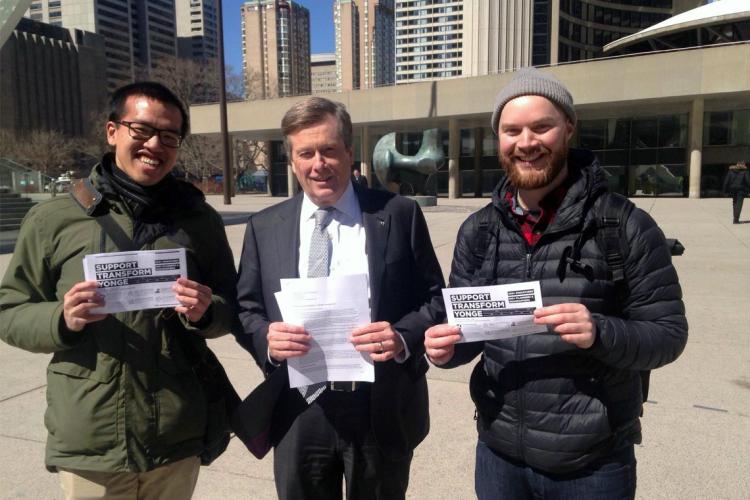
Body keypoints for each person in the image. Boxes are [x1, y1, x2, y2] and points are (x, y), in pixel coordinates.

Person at [424, 68, 688, 499]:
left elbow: (668, 335)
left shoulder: (623, 224)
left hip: (593, 462)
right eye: (512, 131)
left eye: (541, 127)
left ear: (568, 128)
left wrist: (600, 331)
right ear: (500, 140)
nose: (526, 142)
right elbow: (470, 333)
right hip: (499, 454)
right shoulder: (479, 230)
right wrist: (447, 348)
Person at [0, 81, 237, 500]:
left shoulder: (198, 220)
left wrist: (206, 311)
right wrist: (61, 318)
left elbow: (231, 304)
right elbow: (9, 309)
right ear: (113, 131)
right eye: (141, 130)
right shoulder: (53, 219)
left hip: (175, 433)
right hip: (92, 437)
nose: (154, 145)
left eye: (169, 136)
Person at [235, 96, 445, 500]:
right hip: (299, 408)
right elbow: (247, 308)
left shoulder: (399, 214)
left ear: (350, 152)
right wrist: (267, 340)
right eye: (306, 153)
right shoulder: (264, 226)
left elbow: (436, 299)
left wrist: (401, 336)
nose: (319, 164)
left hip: (378, 404)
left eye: (330, 150)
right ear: (292, 160)